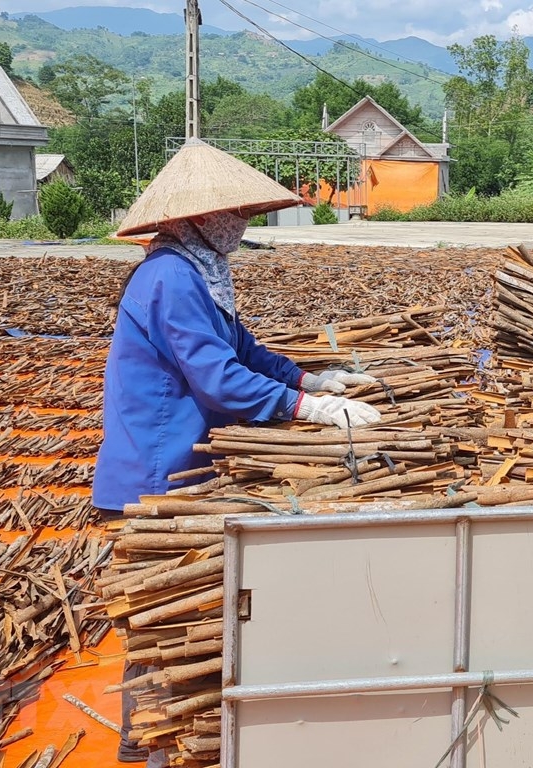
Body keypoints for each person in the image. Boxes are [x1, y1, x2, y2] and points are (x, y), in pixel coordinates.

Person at [93, 139, 382, 765]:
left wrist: (312, 380)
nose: (243, 224)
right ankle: (146, 747)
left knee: (173, 617)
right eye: (236, 213)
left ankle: (160, 743)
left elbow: (244, 352)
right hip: (156, 470)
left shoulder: (198, 272)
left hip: (182, 460)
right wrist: (311, 411)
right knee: (158, 620)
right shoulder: (169, 275)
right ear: (196, 218)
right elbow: (218, 377)